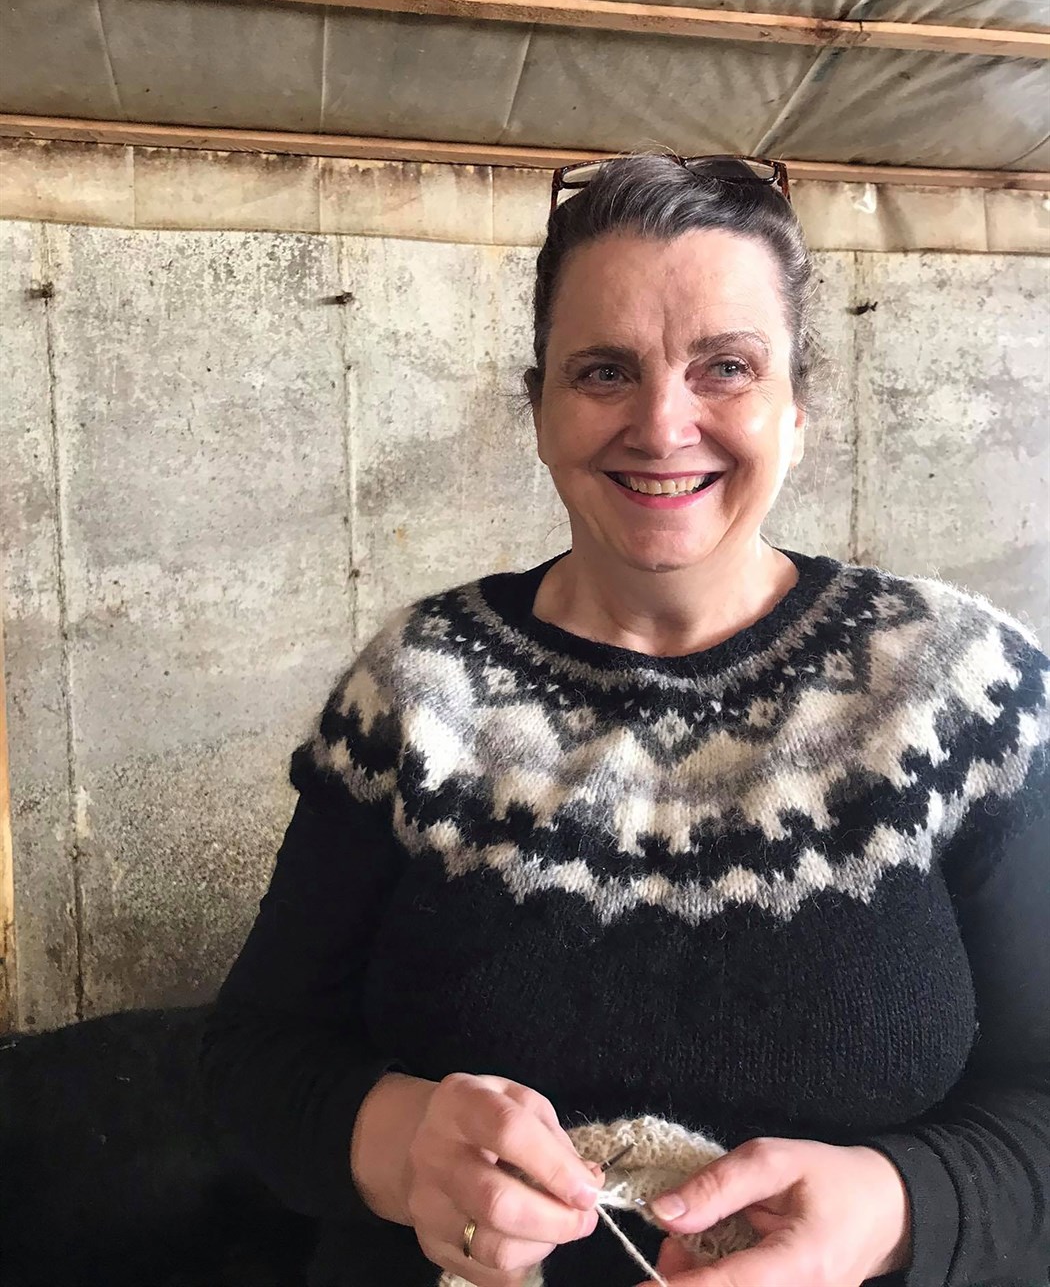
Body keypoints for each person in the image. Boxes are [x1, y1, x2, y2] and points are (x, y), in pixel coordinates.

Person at [199, 153, 1050, 1287]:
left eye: (726, 368)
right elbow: (251, 1058)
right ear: (540, 410)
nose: (662, 423)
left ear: (798, 410)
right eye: (604, 371)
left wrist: (895, 1211)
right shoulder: (418, 686)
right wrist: (400, 1148)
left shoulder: (961, 689)